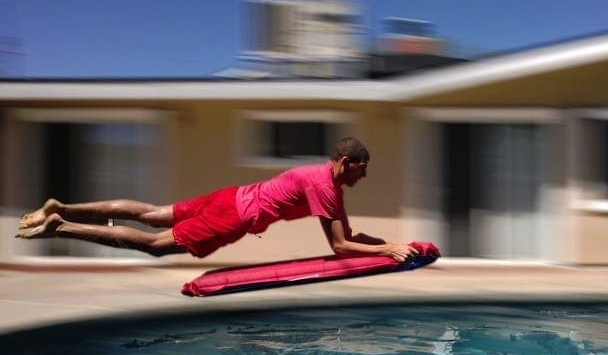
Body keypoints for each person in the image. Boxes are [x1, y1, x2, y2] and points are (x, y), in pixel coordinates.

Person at [15, 137, 418, 263]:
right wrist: (387, 251)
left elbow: (350, 237)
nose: (364, 176)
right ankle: (61, 227)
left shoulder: (322, 181)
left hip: (230, 196)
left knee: (151, 214)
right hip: (233, 217)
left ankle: (61, 207)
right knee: (156, 245)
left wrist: (390, 245)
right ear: (346, 163)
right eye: (362, 169)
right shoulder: (324, 188)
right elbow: (339, 247)